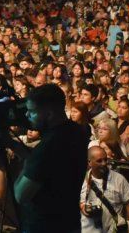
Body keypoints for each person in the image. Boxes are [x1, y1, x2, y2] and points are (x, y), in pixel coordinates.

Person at [13, 83, 89, 232]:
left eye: (31, 111)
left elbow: (20, 195)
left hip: (43, 225)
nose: (27, 115)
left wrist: (27, 162)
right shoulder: (76, 131)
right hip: (69, 222)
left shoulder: (48, 146)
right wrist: (10, 143)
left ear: (49, 114)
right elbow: (45, 164)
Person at [80, 146, 129, 233]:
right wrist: (84, 208)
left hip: (113, 229)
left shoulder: (119, 179)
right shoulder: (82, 180)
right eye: (99, 161)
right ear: (89, 162)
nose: (104, 163)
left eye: (105, 159)